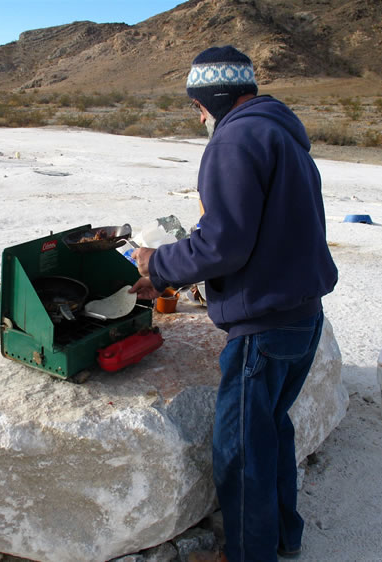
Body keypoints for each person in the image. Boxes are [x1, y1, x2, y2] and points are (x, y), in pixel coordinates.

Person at [130, 46, 338, 561]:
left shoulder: (235, 140)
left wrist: (156, 265)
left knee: (240, 451)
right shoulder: (280, 132)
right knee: (270, 431)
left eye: (197, 106)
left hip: (263, 330)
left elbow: (224, 243)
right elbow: (257, 232)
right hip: (302, 317)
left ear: (211, 98)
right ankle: (284, 537)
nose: (198, 116)